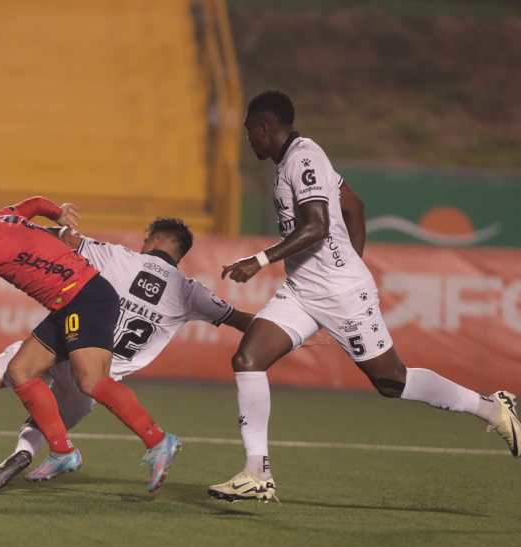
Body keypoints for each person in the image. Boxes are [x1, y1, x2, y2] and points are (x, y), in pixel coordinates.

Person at [210, 90, 519, 503]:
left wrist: (264, 261)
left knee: (392, 381)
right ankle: (256, 472)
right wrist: (347, 260)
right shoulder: (294, 161)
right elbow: (355, 205)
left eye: (250, 132)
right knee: (248, 358)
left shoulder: (303, 158)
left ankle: (494, 410)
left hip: (340, 294)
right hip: (303, 291)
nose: (248, 140)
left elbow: (318, 226)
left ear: (265, 127)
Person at [0, 218, 253, 491]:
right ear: (182, 253)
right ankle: (49, 451)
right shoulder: (191, 292)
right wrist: (288, 333)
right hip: (96, 366)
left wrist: (56, 222)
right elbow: (236, 318)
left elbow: (65, 239)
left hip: (81, 328)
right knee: (32, 376)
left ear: (149, 238)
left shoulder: (117, 257)